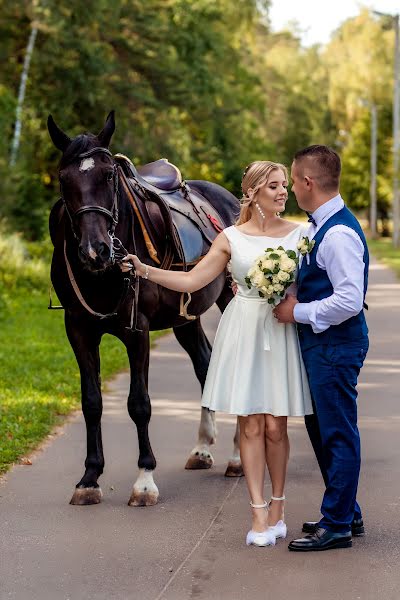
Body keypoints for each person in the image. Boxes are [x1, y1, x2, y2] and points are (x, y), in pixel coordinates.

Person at [122, 161, 312, 547]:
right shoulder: (231, 237)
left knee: (276, 426)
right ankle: (257, 514)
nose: (282, 192)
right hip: (244, 330)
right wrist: (145, 271)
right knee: (251, 425)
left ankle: (278, 508)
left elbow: (316, 283)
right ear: (254, 192)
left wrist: (297, 299)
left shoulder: (302, 235)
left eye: (283, 186)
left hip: (281, 331)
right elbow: (193, 280)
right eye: (274, 186)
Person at [274, 145, 369, 552]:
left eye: (294, 180)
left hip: (336, 345)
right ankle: (347, 511)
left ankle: (337, 526)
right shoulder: (317, 227)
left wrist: (298, 312)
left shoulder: (340, 233)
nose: (293, 188)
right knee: (321, 429)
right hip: (322, 344)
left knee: (337, 433)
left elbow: (350, 299)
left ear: (308, 182)